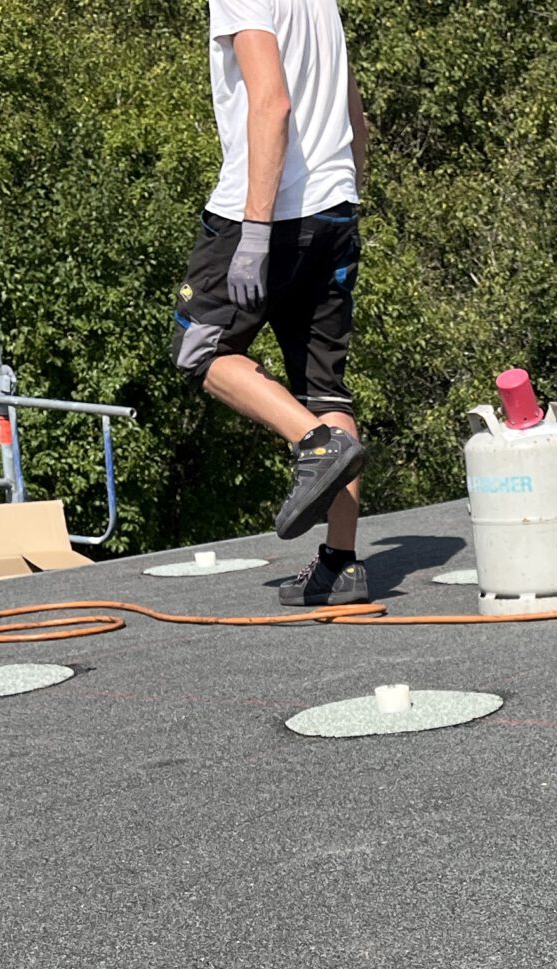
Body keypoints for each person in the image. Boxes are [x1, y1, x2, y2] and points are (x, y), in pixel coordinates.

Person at [171, 0, 373, 607]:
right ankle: (340, 565)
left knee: (200, 349)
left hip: (263, 210)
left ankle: (314, 443)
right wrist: (346, 197)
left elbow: (272, 103)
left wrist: (255, 234)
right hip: (334, 209)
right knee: (325, 389)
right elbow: (354, 114)